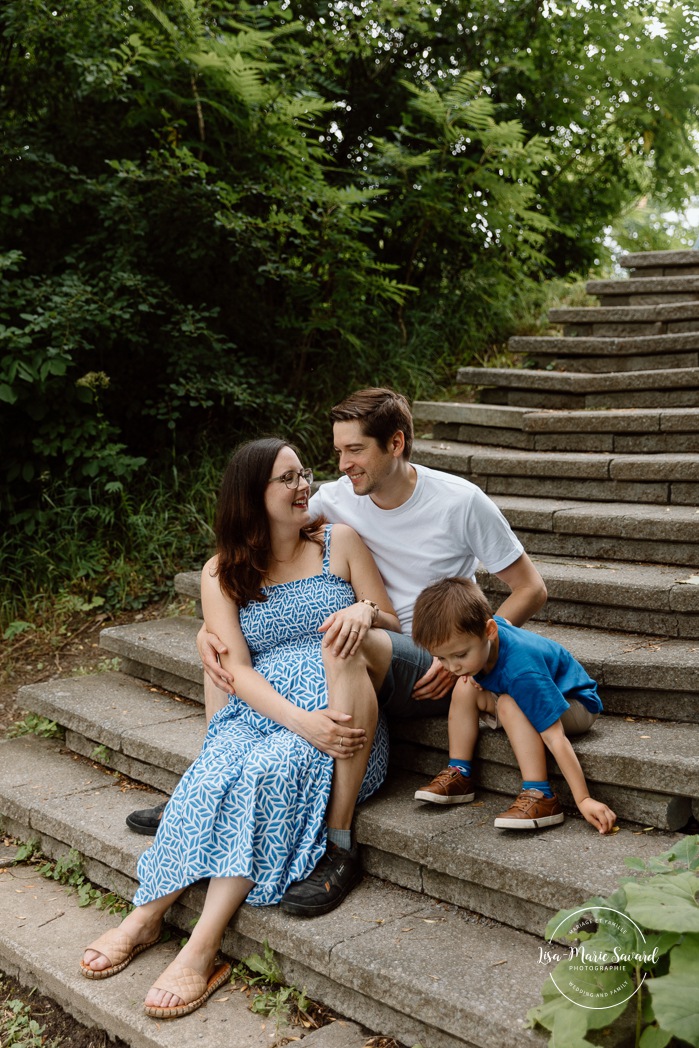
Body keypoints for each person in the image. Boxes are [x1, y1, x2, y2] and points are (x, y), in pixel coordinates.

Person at [127, 388, 548, 912]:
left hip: (429, 662)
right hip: (367, 664)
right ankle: (212, 788)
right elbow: (270, 530)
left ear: (396, 443)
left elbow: (531, 589)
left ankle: (339, 841)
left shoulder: (459, 502)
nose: (342, 466)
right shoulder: (339, 494)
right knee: (229, 659)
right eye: (337, 453)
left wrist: (468, 660)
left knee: (344, 639)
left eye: (355, 451)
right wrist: (207, 630)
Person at [81, 438, 399, 1019]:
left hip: (343, 716)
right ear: (253, 495)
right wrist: (298, 719)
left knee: (267, 771)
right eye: (288, 478)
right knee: (215, 772)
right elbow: (236, 669)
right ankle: (146, 916)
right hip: (265, 709)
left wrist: (363, 610)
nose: (304, 485)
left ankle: (203, 946)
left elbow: (391, 621)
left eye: (304, 473)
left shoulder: (339, 543)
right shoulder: (221, 573)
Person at [411, 576, 616, 834]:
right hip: (529, 687)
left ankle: (541, 795)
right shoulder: (485, 636)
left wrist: (584, 799)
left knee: (508, 703)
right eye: (441, 657)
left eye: (461, 655)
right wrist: (472, 672)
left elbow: (555, 738)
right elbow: (503, 622)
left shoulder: (522, 672)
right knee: (465, 685)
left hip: (576, 705)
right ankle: (460, 772)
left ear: (488, 632)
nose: (451, 667)